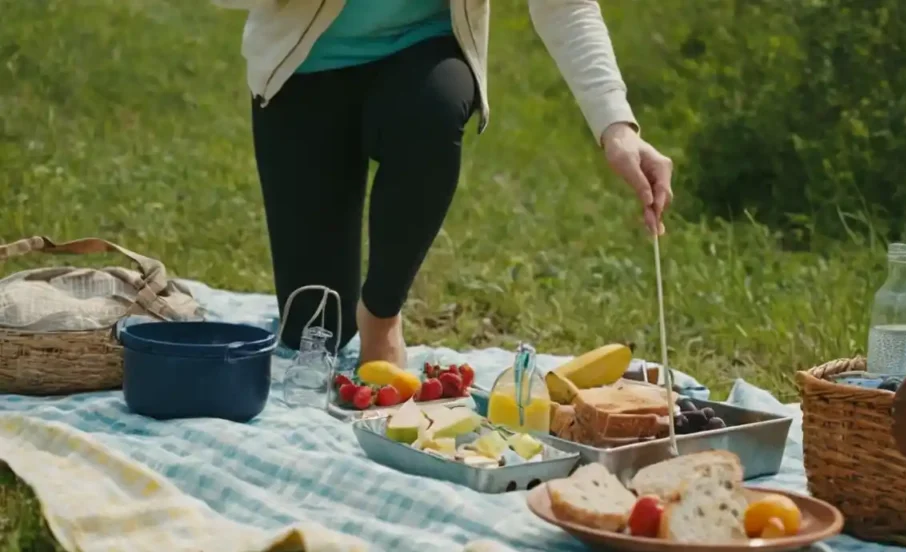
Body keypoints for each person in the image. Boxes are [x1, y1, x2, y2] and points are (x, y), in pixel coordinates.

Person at [213, 0, 674, 366]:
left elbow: (566, 6)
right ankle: (349, 316)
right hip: (302, 74)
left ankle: (381, 316)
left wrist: (617, 128)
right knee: (314, 329)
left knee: (432, 110)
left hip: (421, 56)